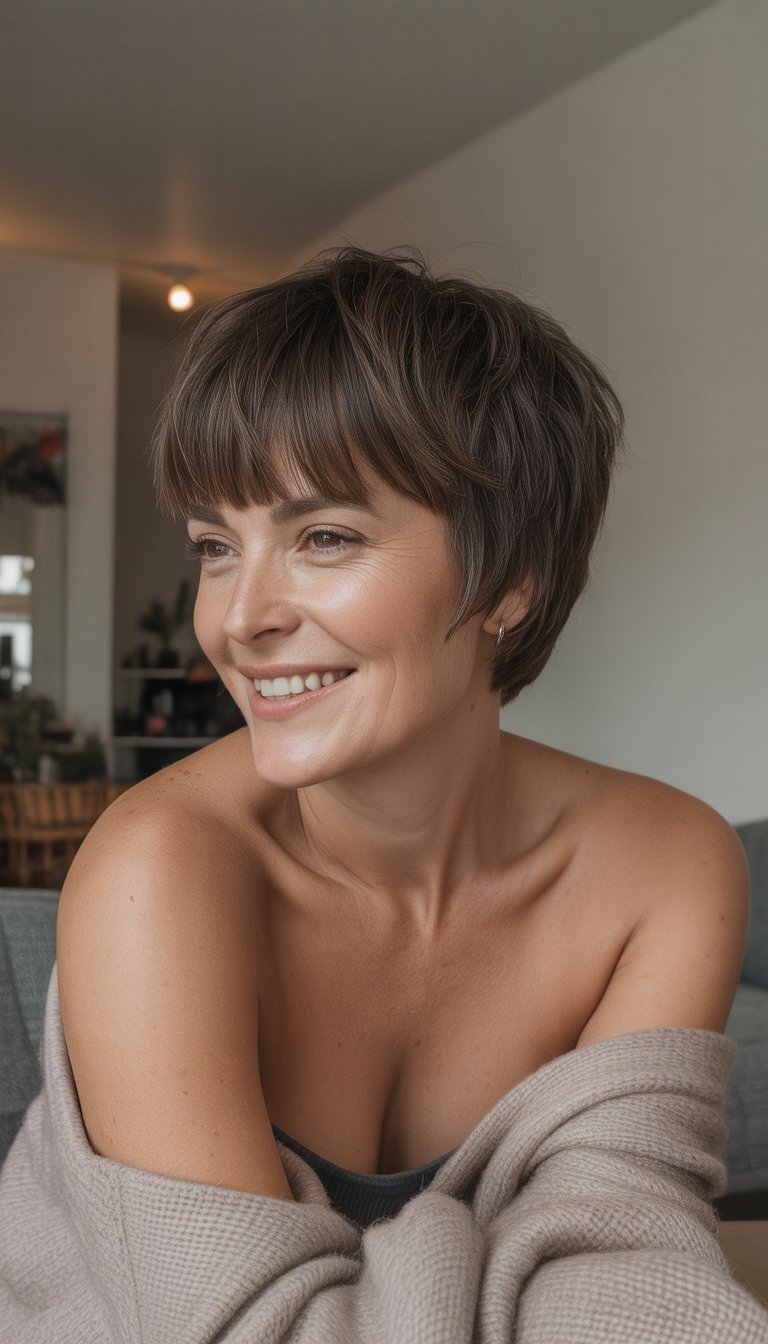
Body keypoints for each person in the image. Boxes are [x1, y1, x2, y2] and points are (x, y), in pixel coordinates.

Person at [56, 243, 748, 1230]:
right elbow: (235, 1321)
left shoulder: (666, 870)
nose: (237, 618)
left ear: (513, 580)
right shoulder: (157, 865)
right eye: (216, 546)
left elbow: (621, 1281)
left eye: (323, 537)